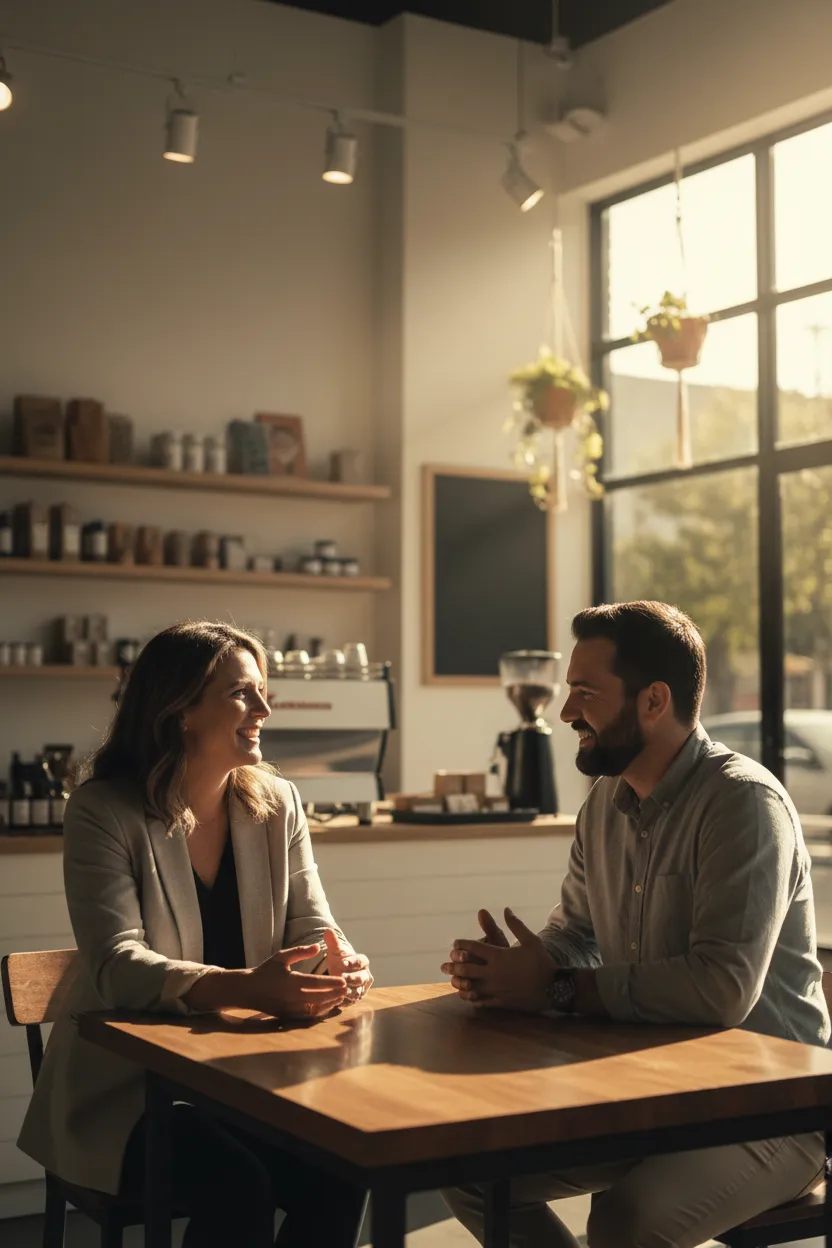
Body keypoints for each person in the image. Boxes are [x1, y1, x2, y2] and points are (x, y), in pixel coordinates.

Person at [441, 601, 830, 1248]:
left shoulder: (743, 804)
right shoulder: (603, 807)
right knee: (471, 1172)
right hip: (654, 1092)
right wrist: (518, 966)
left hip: (771, 1110)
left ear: (654, 701)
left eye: (586, 693)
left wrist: (555, 988)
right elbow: (578, 934)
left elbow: (720, 989)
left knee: (626, 1221)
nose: (567, 713)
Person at [18, 621, 372, 1248]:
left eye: (262, 691)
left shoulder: (278, 802)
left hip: (247, 1081)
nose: (263, 709)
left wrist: (339, 961)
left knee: (342, 1169)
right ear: (179, 709)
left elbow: (313, 924)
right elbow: (116, 965)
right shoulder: (102, 811)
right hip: (126, 1093)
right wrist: (245, 987)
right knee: (237, 1183)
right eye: (242, 693)